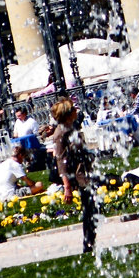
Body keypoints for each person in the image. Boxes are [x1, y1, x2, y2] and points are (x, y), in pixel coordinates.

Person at [51, 97, 97, 254]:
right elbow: (61, 162)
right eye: (73, 109)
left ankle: (91, 241)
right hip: (78, 176)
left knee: (92, 208)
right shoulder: (60, 133)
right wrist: (67, 187)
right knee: (89, 209)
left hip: (84, 172)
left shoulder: (70, 127)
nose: (77, 111)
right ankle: (88, 244)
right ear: (68, 114)